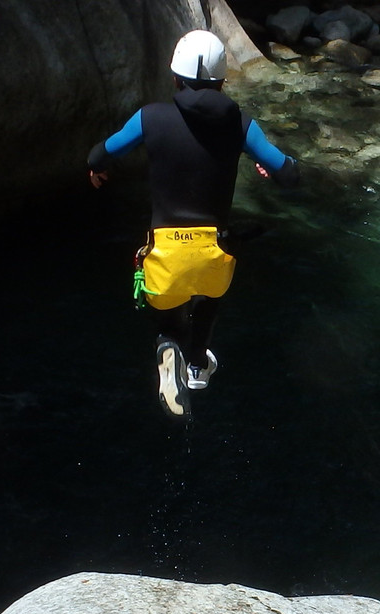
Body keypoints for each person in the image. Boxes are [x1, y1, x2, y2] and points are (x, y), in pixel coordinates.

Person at [87, 29, 299, 419]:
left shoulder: (150, 117)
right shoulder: (241, 124)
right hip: (212, 252)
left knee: (167, 319)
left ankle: (168, 348)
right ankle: (198, 364)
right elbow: (288, 175)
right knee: (209, 296)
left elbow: (101, 152)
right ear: (222, 81)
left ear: (174, 78)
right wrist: (269, 166)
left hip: (164, 254)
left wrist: (97, 169)